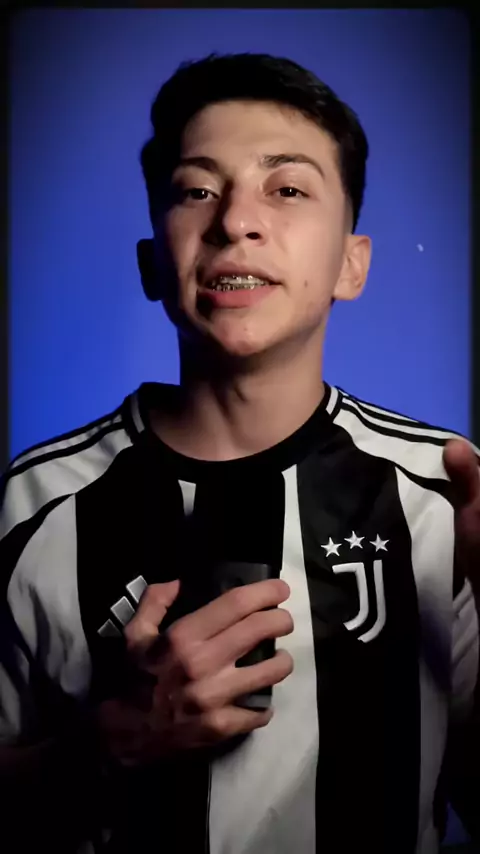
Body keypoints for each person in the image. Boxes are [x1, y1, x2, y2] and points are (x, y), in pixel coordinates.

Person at [0, 51, 479, 854]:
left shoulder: (443, 496)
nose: (235, 223)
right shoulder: (35, 504)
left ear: (352, 263)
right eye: (197, 191)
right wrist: (109, 743)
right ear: (153, 263)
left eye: (286, 189)